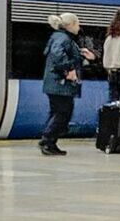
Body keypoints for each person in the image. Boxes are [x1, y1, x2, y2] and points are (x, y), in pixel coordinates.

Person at [39, 13, 94, 156]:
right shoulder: (63, 38)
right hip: (60, 84)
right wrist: (69, 69)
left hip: (55, 83)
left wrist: (79, 55)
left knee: (57, 112)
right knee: (63, 113)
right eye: (78, 24)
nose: (79, 27)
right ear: (70, 25)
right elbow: (58, 57)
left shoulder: (59, 37)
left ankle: (50, 142)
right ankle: (47, 141)